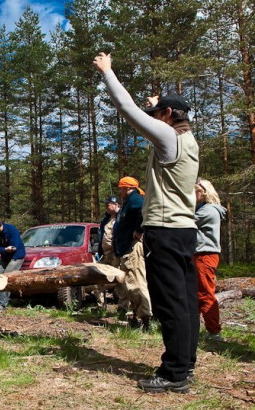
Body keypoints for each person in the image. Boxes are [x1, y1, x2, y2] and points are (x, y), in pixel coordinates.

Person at [94, 52, 199, 394]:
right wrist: (159, 102)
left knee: (169, 304)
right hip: (183, 230)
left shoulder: (169, 140)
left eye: (159, 114)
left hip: (165, 232)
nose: (154, 118)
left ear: (168, 116)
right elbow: (168, 113)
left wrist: (109, 73)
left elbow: (127, 111)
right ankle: (186, 365)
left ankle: (173, 374)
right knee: (185, 300)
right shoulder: (188, 139)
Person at [115, 177, 152, 331]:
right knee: (129, 285)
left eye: (121, 188)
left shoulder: (135, 199)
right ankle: (138, 317)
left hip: (132, 250)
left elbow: (144, 211)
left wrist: (138, 230)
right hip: (125, 250)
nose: (119, 191)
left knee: (137, 283)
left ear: (127, 187)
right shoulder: (128, 201)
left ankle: (146, 320)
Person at [194, 179, 226, 341]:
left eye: (195, 192)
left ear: (204, 192)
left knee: (205, 294)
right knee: (196, 293)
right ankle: (194, 326)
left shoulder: (208, 210)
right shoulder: (203, 209)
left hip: (205, 255)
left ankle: (214, 331)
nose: (192, 195)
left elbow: (187, 223)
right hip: (199, 255)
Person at [0, 217, 25, 312]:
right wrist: (4, 250)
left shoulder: (11, 230)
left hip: (16, 256)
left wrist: (9, 249)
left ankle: (2, 303)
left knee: (6, 278)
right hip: (5, 256)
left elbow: (14, 245)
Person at [96, 195, 121, 309]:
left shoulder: (121, 218)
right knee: (98, 278)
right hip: (105, 254)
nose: (106, 206)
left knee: (120, 280)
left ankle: (124, 307)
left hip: (117, 254)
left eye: (108, 204)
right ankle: (101, 306)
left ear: (116, 205)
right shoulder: (106, 219)